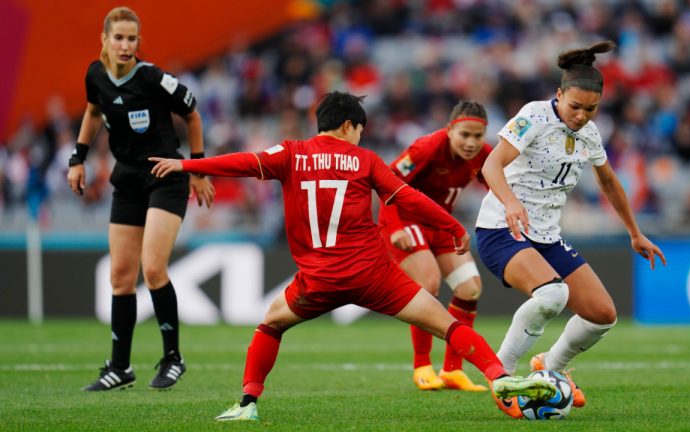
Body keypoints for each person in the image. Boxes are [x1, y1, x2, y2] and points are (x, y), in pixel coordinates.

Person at [150, 91, 556, 421]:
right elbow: (409, 198)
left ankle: (247, 403)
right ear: (349, 126)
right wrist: (451, 227)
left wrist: (187, 164)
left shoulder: (290, 153)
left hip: (317, 280)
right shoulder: (364, 160)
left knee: (270, 324)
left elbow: (242, 162)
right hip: (374, 276)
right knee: (447, 324)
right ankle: (498, 376)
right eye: (359, 128)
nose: (360, 135)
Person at [475, 41, 667, 418]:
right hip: (502, 228)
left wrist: (634, 232)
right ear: (558, 94)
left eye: (590, 109)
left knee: (603, 314)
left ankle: (550, 368)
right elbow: (491, 166)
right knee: (552, 295)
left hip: (547, 236)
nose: (581, 115)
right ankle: (503, 378)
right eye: (575, 106)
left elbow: (610, 183)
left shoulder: (591, 135)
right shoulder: (533, 115)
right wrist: (511, 202)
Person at [67, 6, 215, 391]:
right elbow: (93, 111)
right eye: (118, 37)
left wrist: (196, 170)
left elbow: (193, 115)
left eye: (132, 38)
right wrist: (78, 159)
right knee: (120, 277)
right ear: (104, 39)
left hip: (166, 177)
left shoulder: (152, 78)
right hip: (128, 180)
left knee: (152, 269)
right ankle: (120, 367)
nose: (125, 45)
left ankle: (172, 358)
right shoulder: (95, 74)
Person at [378, 101, 492, 392]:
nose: (471, 143)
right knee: (427, 284)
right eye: (464, 135)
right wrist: (394, 227)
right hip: (407, 220)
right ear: (450, 129)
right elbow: (386, 182)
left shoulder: (483, 155)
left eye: (477, 137)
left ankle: (453, 370)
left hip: (441, 225)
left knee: (470, 288)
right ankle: (422, 366)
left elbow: (496, 184)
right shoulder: (426, 148)